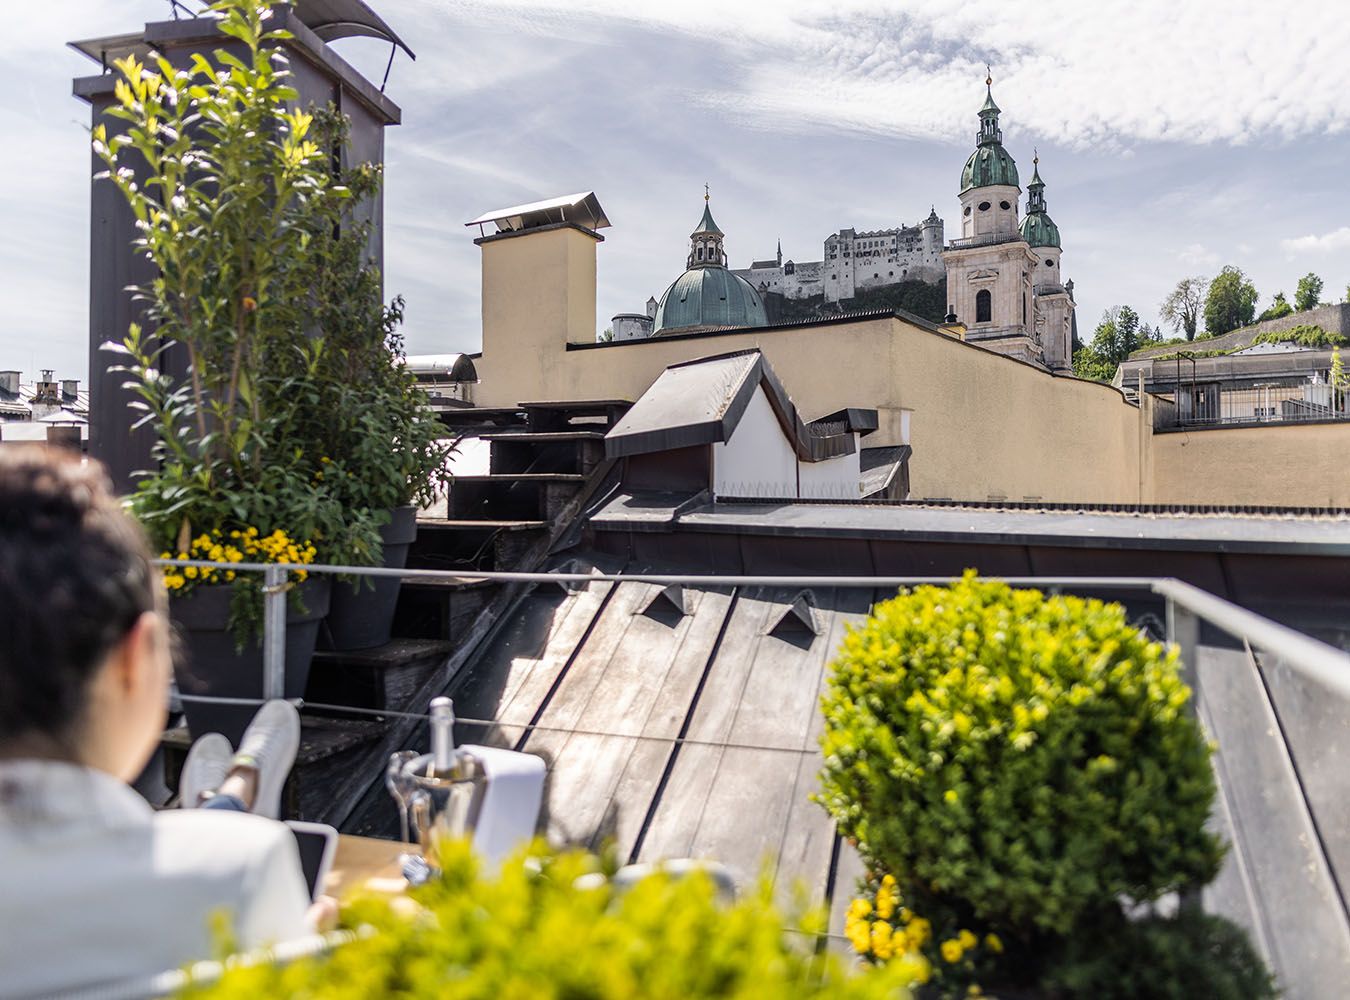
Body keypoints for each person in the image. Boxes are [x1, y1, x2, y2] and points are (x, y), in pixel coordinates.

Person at [0, 446, 325, 998]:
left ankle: (228, 792)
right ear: (136, 658)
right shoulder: (238, 874)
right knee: (224, 829)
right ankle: (236, 788)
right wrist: (311, 960)